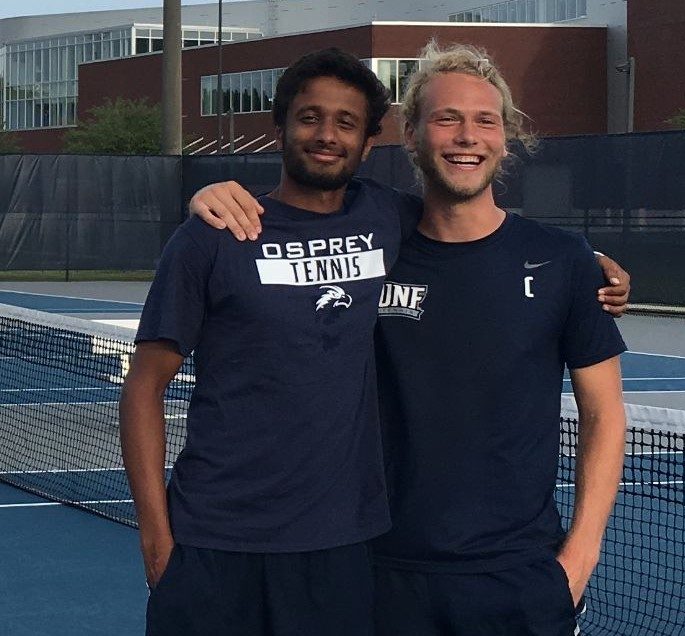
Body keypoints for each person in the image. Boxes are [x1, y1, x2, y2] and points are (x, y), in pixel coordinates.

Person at [190, 43, 628, 636]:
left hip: (520, 578)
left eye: (485, 120)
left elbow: (604, 414)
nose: (466, 136)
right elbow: (290, 226)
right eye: (447, 118)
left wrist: (581, 557)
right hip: (377, 570)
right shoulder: (370, 250)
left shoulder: (564, 261)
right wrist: (210, 196)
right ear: (413, 134)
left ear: (506, 136)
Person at [119, 48, 407, 636]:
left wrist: (589, 262)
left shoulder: (390, 216)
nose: (326, 135)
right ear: (278, 127)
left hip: (341, 547)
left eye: (345, 123)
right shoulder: (213, 235)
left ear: (368, 143)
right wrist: (155, 540)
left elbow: (480, 233)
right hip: (215, 544)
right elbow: (143, 388)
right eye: (309, 117)